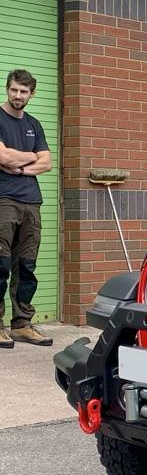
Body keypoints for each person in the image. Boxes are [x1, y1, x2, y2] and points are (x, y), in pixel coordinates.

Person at [0, 69, 53, 347]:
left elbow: (47, 162)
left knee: (27, 266)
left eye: (24, 91)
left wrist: (18, 167)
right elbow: (2, 155)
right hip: (4, 200)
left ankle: (21, 324)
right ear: (7, 89)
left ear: (32, 94)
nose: (18, 95)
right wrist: (31, 157)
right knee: (1, 263)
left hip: (31, 202)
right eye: (14, 90)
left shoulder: (34, 124)